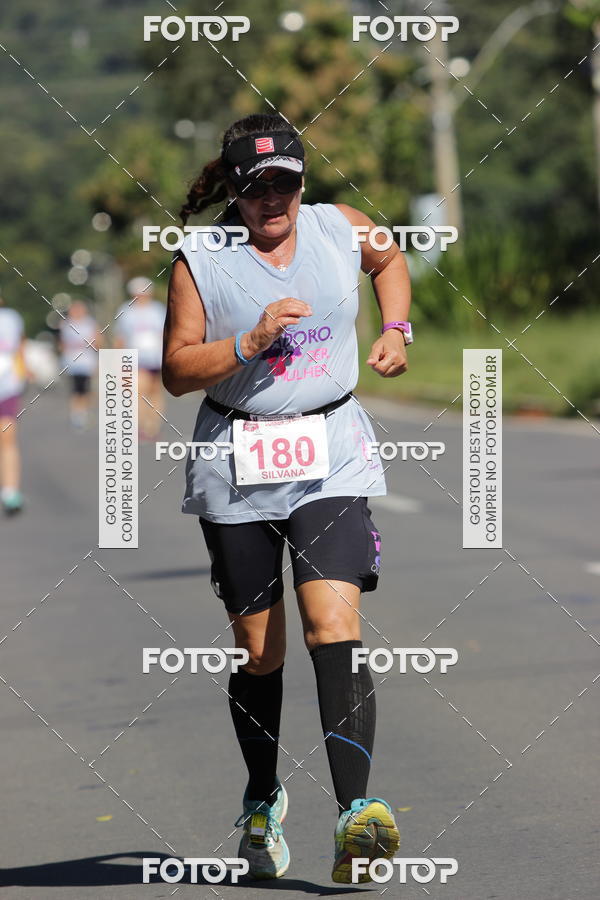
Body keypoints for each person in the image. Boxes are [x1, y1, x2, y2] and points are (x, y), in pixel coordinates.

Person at [162, 113, 412, 883]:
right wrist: (249, 341)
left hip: (330, 451)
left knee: (331, 621)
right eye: (256, 187)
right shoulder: (200, 259)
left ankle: (355, 818)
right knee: (259, 652)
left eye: (285, 184)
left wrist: (397, 327)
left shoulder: (341, 227)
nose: (272, 199)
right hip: (237, 457)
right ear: (233, 192)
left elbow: (390, 257)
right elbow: (174, 369)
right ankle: (265, 797)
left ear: (303, 182)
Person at [114, 277, 166, 440]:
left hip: (156, 357)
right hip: (135, 358)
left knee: (155, 391)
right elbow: (120, 337)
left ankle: (153, 425)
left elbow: (165, 334)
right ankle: (141, 425)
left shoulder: (158, 310)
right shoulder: (126, 310)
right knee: (138, 391)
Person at [0, 294, 27, 515]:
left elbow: (20, 347)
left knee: (7, 436)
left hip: (6, 388)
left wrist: (24, 370)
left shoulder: (10, 318)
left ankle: (10, 491)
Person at [58, 300, 101, 430]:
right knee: (75, 389)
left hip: (87, 362)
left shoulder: (90, 323)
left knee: (86, 389)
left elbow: (98, 341)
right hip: (72, 363)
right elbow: (62, 344)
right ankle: (77, 414)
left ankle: (84, 412)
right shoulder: (66, 324)